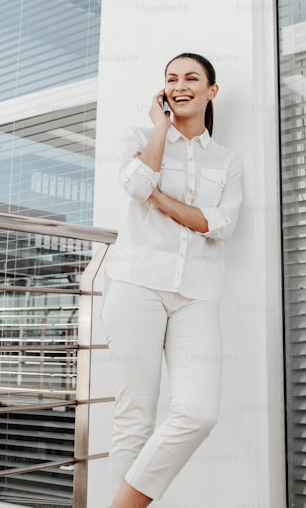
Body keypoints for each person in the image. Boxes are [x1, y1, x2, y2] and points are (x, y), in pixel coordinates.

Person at [101, 53, 243, 507]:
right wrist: (159, 127)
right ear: (163, 90)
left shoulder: (227, 160)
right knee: (133, 419)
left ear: (211, 91)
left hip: (196, 294)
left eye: (192, 78)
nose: (181, 86)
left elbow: (219, 225)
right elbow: (137, 184)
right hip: (136, 285)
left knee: (198, 413)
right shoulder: (140, 137)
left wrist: (158, 198)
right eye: (171, 79)